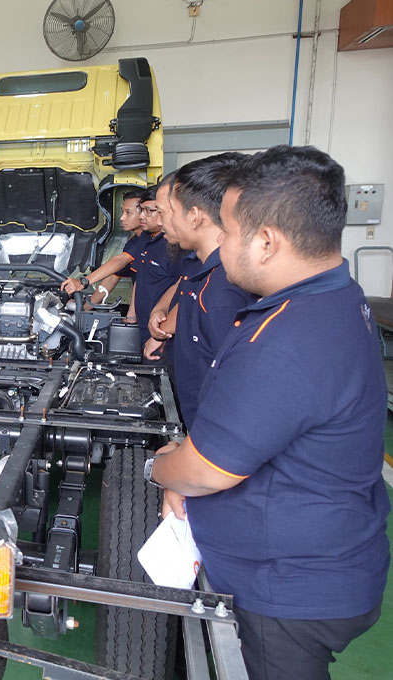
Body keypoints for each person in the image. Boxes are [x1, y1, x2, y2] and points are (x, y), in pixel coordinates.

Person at [147, 146, 389, 680]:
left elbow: (208, 470)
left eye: (229, 233)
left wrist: (162, 467)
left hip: (291, 591)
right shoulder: (335, 299)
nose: (221, 246)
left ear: (266, 241)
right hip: (331, 557)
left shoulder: (285, 339)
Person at [144, 154, 254, 423]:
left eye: (166, 211)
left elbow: (234, 396)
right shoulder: (205, 272)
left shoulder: (223, 293)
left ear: (194, 216)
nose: (163, 222)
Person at [61, 189, 145, 306]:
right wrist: (84, 309)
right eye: (122, 212)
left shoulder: (148, 241)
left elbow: (120, 261)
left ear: (143, 214)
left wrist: (83, 282)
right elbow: (113, 277)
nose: (122, 218)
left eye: (128, 213)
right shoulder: (134, 242)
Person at [130, 185, 179, 348]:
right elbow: (139, 277)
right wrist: (132, 312)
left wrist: (161, 335)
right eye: (141, 210)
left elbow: (183, 290)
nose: (142, 216)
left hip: (162, 330)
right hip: (144, 325)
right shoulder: (145, 238)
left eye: (149, 211)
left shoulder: (174, 245)